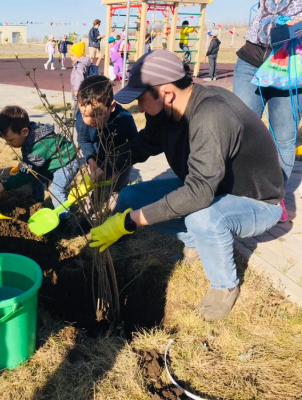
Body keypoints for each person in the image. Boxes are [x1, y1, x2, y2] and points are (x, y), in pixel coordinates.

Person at [90, 50, 284, 321]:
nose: (140, 108)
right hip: (211, 188)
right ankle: (197, 242)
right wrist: (106, 165)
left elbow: (199, 192)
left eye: (142, 100)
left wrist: (131, 222)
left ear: (166, 92)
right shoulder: (165, 112)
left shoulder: (212, 114)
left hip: (256, 201)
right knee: (131, 197)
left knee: (201, 217)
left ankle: (224, 285)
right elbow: (145, 143)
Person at [233, 0, 302, 222]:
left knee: (284, 136)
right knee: (239, 129)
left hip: (291, 63)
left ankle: (275, 196)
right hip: (252, 58)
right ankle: (240, 190)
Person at [0, 105, 79, 219]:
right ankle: (37, 201)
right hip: (53, 160)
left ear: (24, 132)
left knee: (56, 190)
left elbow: (25, 175)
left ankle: (64, 218)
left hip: (66, 162)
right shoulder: (30, 136)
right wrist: (25, 162)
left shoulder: (39, 145)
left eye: (11, 140)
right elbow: (29, 158)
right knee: (35, 174)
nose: (9, 144)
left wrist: (5, 185)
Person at [75, 75, 138, 213]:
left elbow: (135, 145)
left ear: (112, 106)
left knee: (117, 191)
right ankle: (90, 216)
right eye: (84, 114)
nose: (88, 120)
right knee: (94, 187)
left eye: (96, 114)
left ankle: (114, 217)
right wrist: (91, 159)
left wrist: (117, 168)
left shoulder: (124, 119)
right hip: (98, 160)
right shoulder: (81, 119)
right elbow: (84, 140)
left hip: (121, 162)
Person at [70, 41, 91, 114]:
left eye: (72, 55)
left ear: (78, 56)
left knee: (76, 107)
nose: (71, 57)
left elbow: (79, 78)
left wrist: (76, 90)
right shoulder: (81, 63)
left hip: (78, 91)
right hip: (82, 91)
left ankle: (74, 120)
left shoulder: (80, 65)